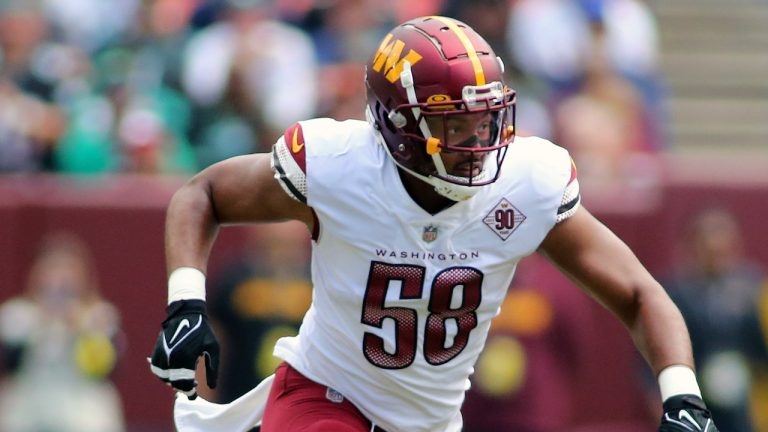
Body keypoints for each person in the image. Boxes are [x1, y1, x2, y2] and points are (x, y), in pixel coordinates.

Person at [149, 16, 718, 432]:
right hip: (324, 397)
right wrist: (185, 303)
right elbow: (203, 194)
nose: (481, 144)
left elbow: (640, 293)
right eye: (456, 127)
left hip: (431, 422)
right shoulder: (339, 165)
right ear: (397, 124)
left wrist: (681, 394)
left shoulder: (528, 179)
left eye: (488, 121)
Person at [0, 232, 125, 432]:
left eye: (67, 272)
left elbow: (103, 370)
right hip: (27, 416)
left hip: (82, 418)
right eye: (51, 271)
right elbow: (10, 365)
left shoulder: (99, 316)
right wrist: (40, 323)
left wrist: (81, 329)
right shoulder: (17, 314)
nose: (58, 281)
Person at [663, 207, 768, 431]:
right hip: (694, 401)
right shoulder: (673, 294)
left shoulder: (752, 289)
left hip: (744, 409)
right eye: (711, 250)